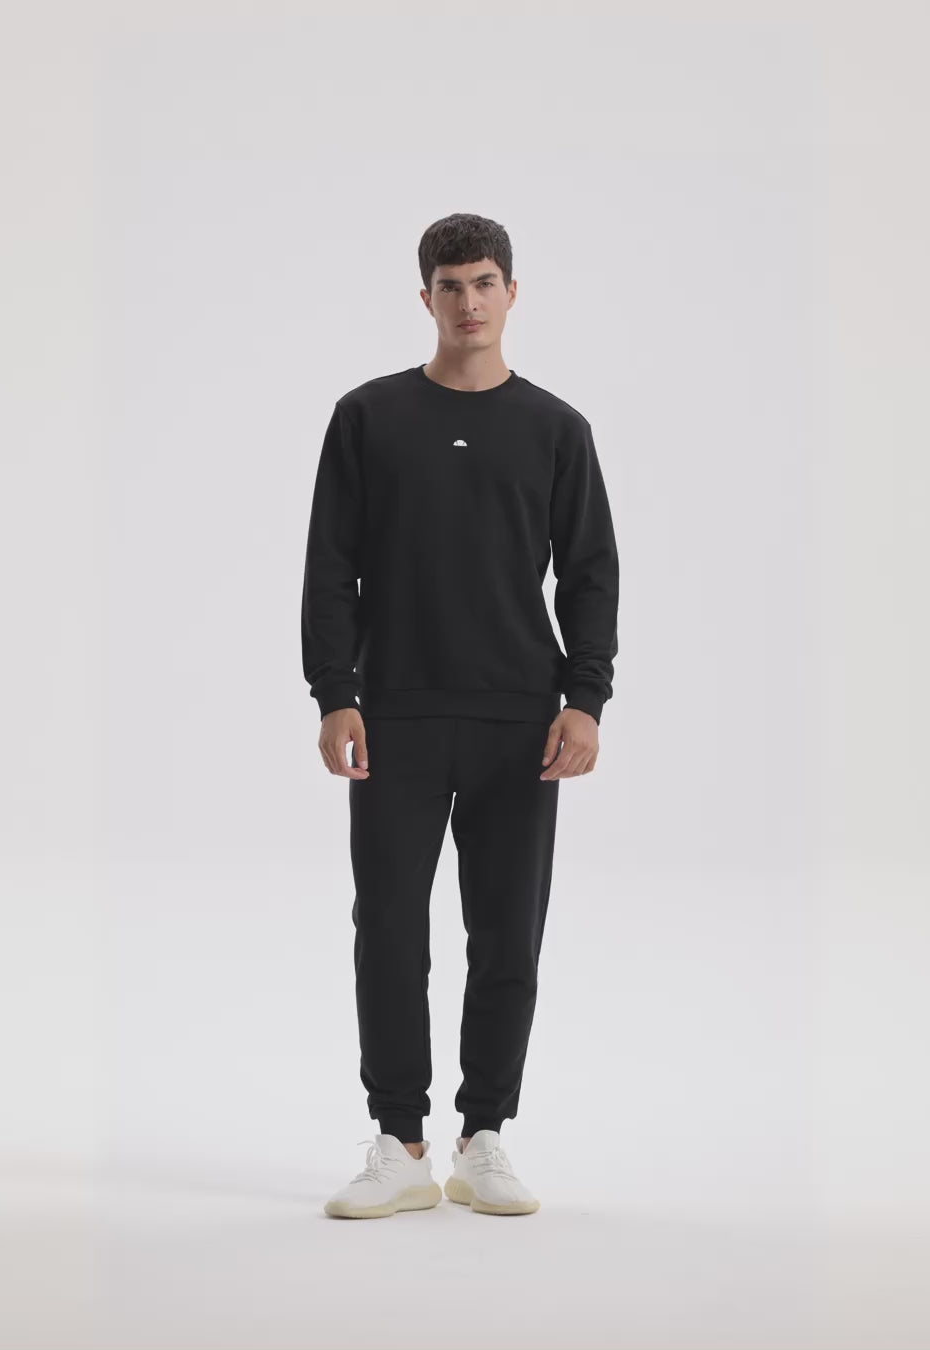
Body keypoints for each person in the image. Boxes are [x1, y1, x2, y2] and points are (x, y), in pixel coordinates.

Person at [301, 212, 619, 1218]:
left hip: (519, 722)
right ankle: (400, 1143)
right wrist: (336, 694)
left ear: (511, 293)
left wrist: (585, 699)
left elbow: (591, 573)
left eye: (485, 283)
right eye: (451, 285)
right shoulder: (368, 416)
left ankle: (485, 1139)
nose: (469, 302)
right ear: (426, 297)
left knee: (508, 935)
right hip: (395, 714)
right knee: (389, 928)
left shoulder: (557, 428)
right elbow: (330, 566)